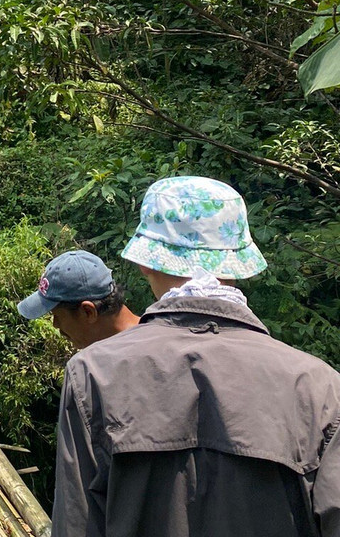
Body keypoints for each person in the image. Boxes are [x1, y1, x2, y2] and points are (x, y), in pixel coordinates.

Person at [53, 176, 340, 537]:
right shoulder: (319, 387)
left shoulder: (93, 374)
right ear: (239, 263)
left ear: (145, 262)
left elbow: (76, 525)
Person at [17, 250, 139, 350]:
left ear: (88, 312)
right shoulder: (149, 336)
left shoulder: (96, 367)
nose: (55, 325)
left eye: (57, 315)